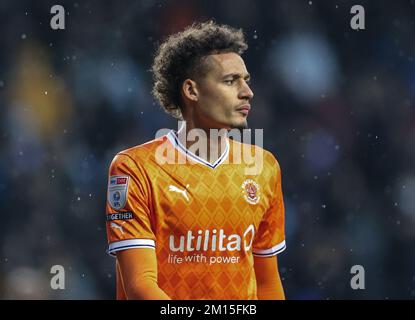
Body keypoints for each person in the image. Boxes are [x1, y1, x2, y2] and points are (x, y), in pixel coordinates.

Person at [105, 20, 286, 300]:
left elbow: (267, 283)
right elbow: (140, 286)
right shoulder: (135, 168)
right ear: (191, 91)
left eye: (246, 81)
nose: (247, 92)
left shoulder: (264, 167)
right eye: (230, 81)